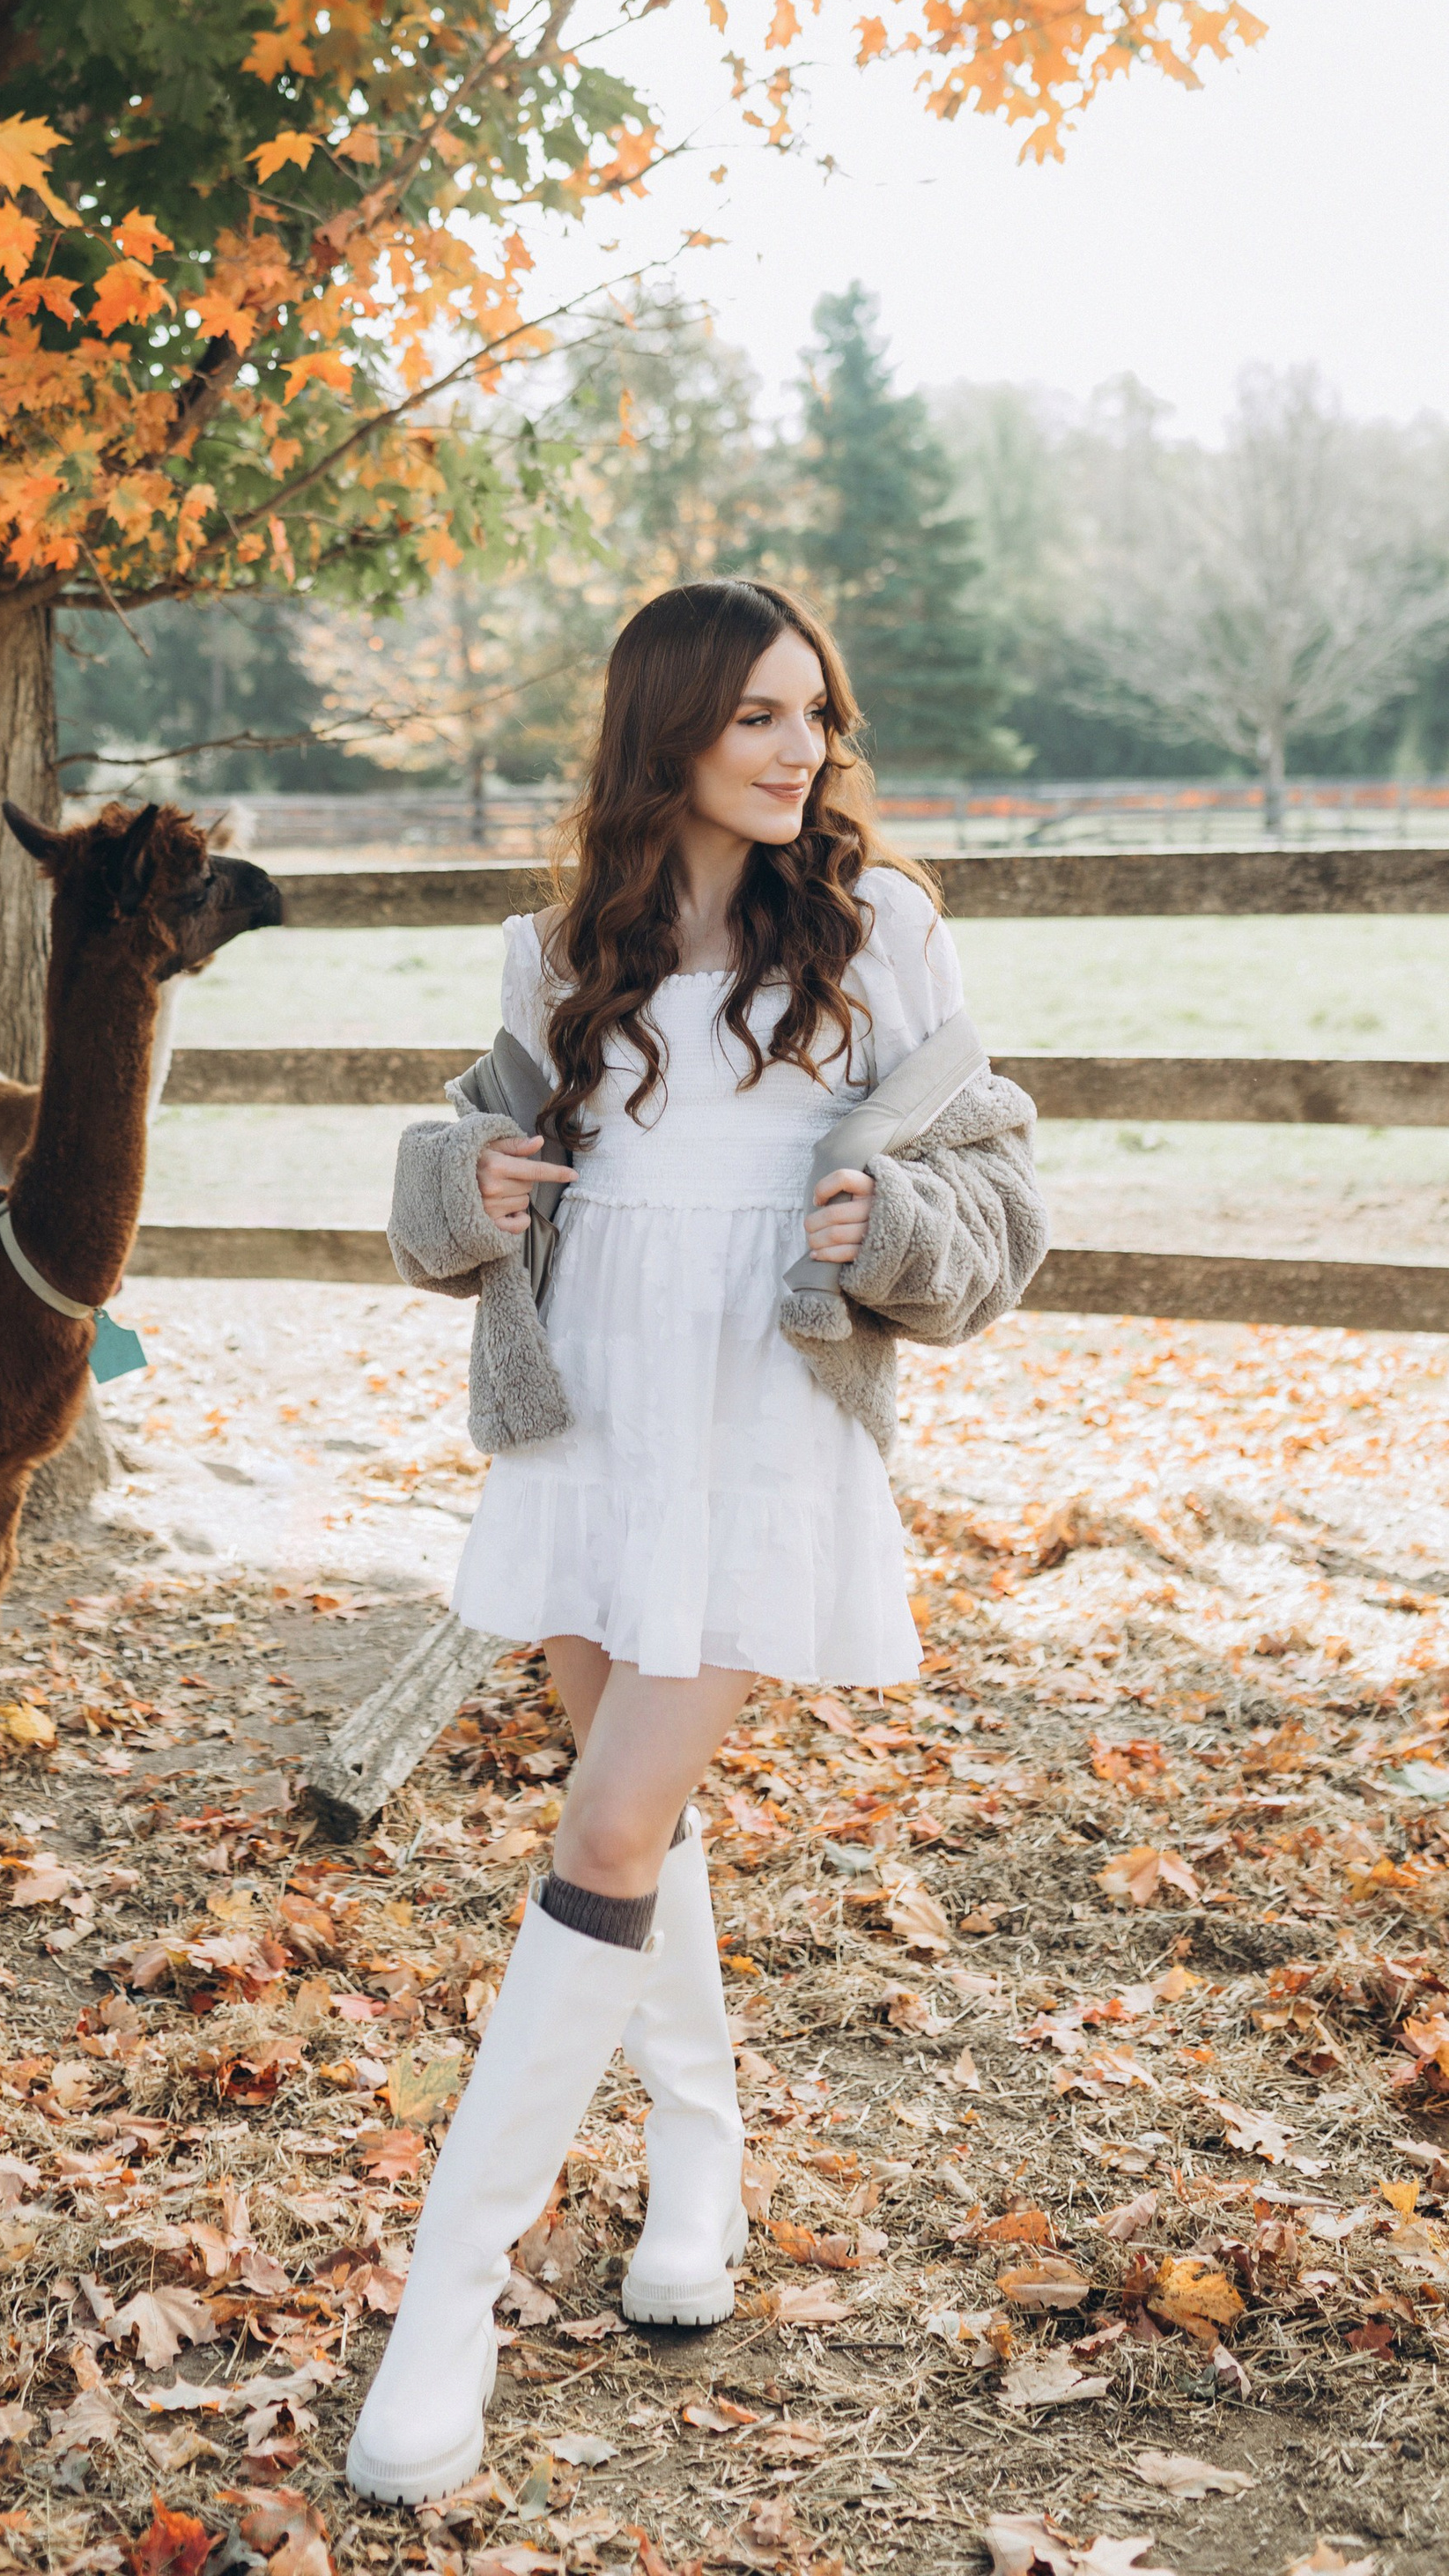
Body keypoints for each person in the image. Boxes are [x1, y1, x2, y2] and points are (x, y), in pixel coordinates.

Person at [348, 578, 1047, 2504]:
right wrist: (467, 1181)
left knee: (601, 1830)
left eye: (810, 714)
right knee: (625, 1807)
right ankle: (700, 2152)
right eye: (753, 714)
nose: (795, 749)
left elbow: (993, 1182)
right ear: (664, 728)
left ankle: (447, 2307)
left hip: (756, 1408)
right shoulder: (553, 947)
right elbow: (450, 1177)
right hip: (588, 1411)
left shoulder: (878, 933)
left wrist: (885, 1227)